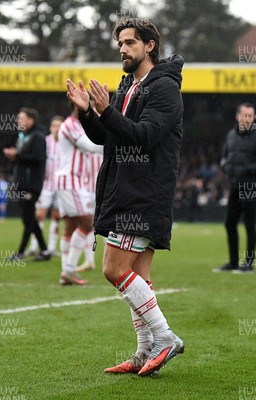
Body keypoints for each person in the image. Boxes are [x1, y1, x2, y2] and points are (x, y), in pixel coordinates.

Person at [66, 17, 185, 376]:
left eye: (130, 42)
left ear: (150, 46)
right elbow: (107, 136)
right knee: (138, 276)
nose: (122, 49)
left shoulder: (165, 88)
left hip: (143, 194)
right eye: (120, 43)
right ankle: (144, 351)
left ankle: (165, 338)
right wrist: (88, 111)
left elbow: (143, 136)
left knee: (113, 269)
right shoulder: (127, 85)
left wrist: (106, 111)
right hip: (125, 189)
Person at [214, 102, 256, 274]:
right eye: (245, 115)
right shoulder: (231, 135)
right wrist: (224, 164)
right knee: (229, 224)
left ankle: (249, 264)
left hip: (252, 185)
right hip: (234, 185)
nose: (248, 119)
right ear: (238, 116)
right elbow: (225, 155)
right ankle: (233, 262)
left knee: (249, 224)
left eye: (250, 116)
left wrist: (249, 169)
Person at [54, 105, 102, 285]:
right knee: (87, 223)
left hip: (71, 180)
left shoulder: (79, 125)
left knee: (70, 227)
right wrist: (116, 142)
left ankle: (65, 273)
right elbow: (89, 146)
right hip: (70, 180)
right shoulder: (71, 124)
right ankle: (69, 270)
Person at [3, 108, 50, 261]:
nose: (18, 121)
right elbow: (25, 158)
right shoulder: (24, 136)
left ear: (31, 120)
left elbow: (38, 158)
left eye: (22, 118)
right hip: (23, 183)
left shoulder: (37, 136)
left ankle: (21, 252)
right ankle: (44, 251)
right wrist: (15, 156)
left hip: (31, 184)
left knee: (28, 218)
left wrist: (17, 155)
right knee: (29, 218)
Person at [26, 115, 63, 258]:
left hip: (60, 185)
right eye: (54, 126)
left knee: (57, 216)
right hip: (46, 184)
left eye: (60, 126)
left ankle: (52, 248)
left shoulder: (67, 142)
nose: (57, 129)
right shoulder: (45, 142)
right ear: (50, 127)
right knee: (39, 215)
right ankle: (35, 246)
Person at [77, 134, 104, 272]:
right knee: (89, 224)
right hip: (86, 190)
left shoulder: (103, 140)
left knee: (107, 226)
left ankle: (111, 260)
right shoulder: (83, 140)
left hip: (102, 190)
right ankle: (89, 260)